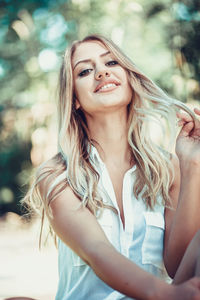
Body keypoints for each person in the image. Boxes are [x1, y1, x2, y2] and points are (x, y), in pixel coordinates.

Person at [23, 34, 200, 300]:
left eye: (112, 63)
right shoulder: (57, 175)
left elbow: (178, 266)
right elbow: (97, 251)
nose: (101, 72)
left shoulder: (167, 167)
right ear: (74, 100)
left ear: (130, 79)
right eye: (85, 70)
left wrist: (193, 163)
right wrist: (168, 296)